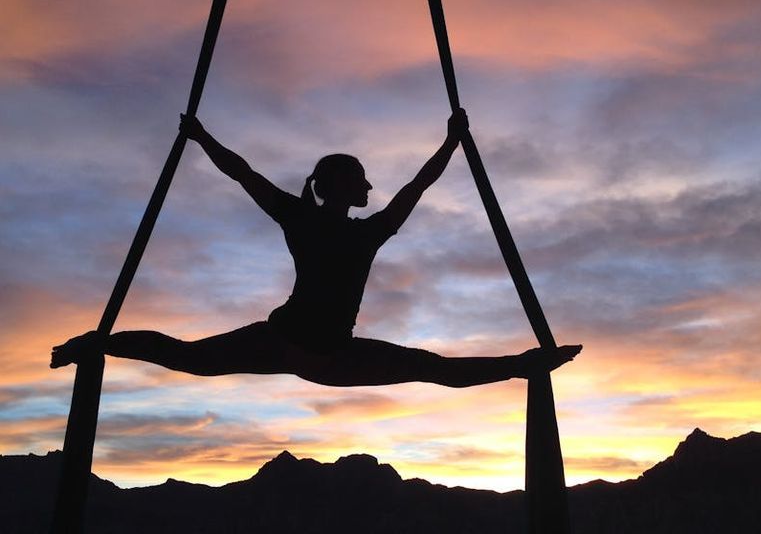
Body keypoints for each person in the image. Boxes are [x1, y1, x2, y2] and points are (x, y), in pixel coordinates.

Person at [51, 110, 581, 387]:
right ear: (341, 186)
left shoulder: (316, 220)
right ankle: (525, 365)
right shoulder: (352, 229)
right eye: (362, 179)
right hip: (311, 349)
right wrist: (451, 143)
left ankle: (525, 365)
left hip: (305, 346)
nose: (369, 186)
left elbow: (243, 173)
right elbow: (417, 185)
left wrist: (200, 136)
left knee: (189, 357)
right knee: (433, 368)